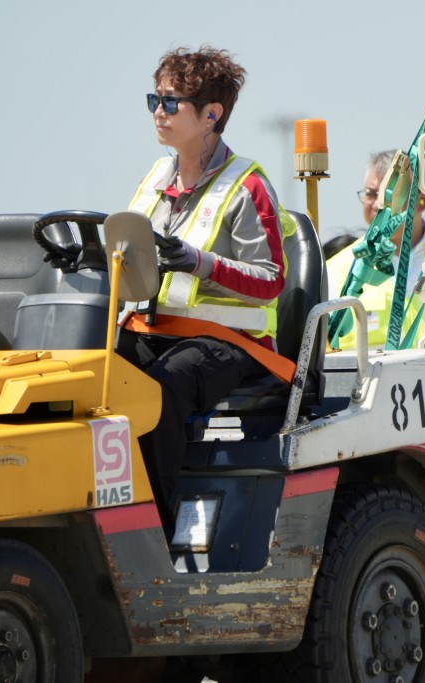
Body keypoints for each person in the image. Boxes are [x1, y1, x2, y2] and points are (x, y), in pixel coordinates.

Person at [116, 46, 293, 526]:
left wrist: (201, 262)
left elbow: (271, 280)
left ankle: (153, 524)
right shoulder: (155, 178)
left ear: (211, 115)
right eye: (154, 99)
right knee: (91, 373)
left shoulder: (248, 186)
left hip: (233, 344)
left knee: (160, 386)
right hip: (157, 331)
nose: (158, 111)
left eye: (171, 103)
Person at [326, 149, 425, 350]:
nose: (378, 204)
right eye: (371, 194)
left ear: (422, 200)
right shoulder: (335, 270)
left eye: (391, 195)